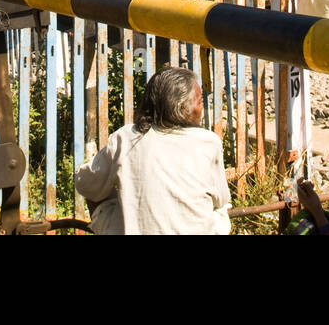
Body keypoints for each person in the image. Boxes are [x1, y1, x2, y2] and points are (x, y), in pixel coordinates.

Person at [73, 65, 231, 235]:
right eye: (199, 102)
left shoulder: (126, 137)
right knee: (220, 210)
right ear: (181, 108)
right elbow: (220, 200)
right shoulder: (208, 142)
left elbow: (85, 183)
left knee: (106, 194)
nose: (202, 109)